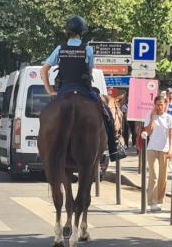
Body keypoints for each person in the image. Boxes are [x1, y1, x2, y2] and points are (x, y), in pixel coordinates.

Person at [41, 15, 126, 160]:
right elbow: (89, 72)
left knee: (45, 117)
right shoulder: (87, 50)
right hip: (84, 91)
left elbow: (44, 70)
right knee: (107, 115)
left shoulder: (59, 49)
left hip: (63, 91)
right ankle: (113, 149)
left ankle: (42, 148)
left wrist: (50, 91)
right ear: (82, 32)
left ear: (68, 32)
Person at [142, 96, 172, 212]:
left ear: (165, 105)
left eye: (162, 104)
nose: (160, 107)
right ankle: (152, 202)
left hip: (164, 149)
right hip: (152, 148)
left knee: (163, 177)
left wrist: (171, 150)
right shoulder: (150, 116)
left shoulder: (169, 118)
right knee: (154, 175)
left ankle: (159, 200)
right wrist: (152, 117)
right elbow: (148, 131)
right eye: (157, 104)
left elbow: (171, 135)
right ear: (154, 105)